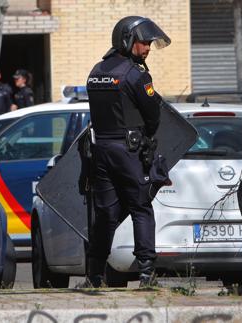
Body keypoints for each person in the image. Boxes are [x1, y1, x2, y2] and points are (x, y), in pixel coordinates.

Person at [83, 16, 171, 288]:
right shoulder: (136, 74)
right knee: (141, 209)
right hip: (128, 151)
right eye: (144, 43)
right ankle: (147, 274)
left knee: (106, 214)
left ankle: (94, 275)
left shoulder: (96, 71)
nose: (147, 49)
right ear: (127, 40)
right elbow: (153, 116)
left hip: (101, 152)